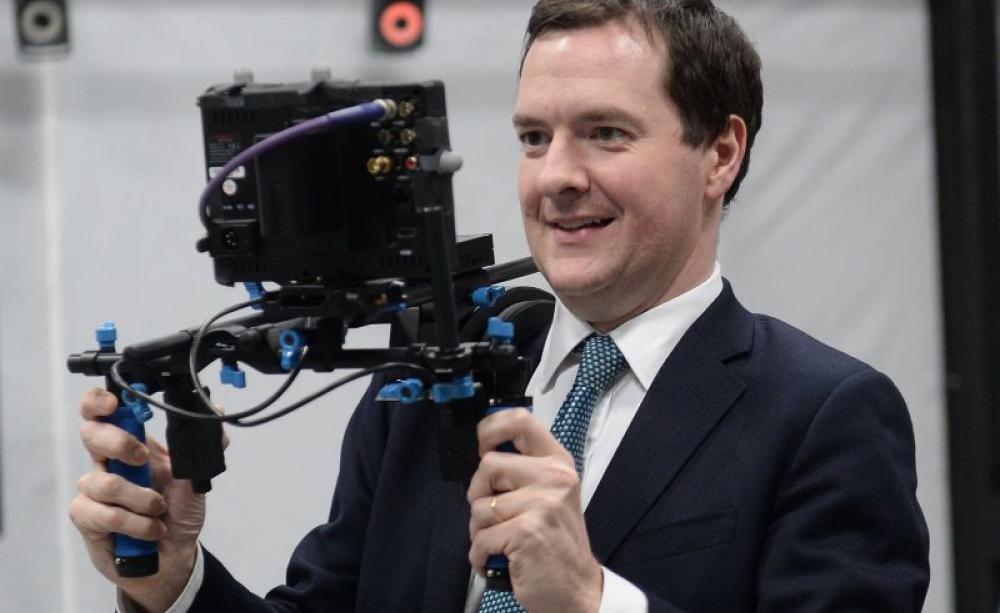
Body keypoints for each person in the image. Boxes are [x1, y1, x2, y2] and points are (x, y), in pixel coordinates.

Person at [69, 0, 931, 611]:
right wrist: (174, 579)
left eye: (607, 132)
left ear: (720, 154)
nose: (556, 175)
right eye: (533, 137)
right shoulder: (436, 371)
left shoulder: (826, 415)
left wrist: (595, 605)